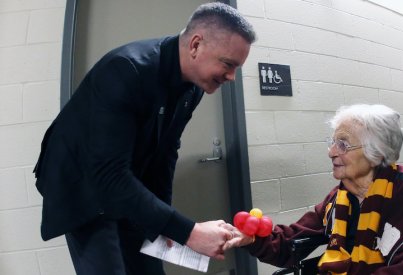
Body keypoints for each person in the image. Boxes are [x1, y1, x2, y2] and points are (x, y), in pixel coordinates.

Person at [32, 2, 255, 275]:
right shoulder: (127, 69)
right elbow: (108, 176)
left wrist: (165, 223)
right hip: (84, 188)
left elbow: (166, 153)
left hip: (124, 183)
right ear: (195, 45)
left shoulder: (192, 88)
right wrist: (190, 232)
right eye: (228, 64)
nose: (232, 77)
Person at [223, 104, 403, 274]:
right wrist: (253, 239)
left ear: (376, 153)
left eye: (343, 144)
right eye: (333, 142)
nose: (331, 152)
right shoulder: (340, 198)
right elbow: (291, 243)